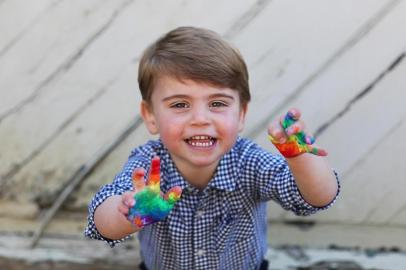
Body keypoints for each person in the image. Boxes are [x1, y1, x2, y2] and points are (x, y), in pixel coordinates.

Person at [85, 26, 339, 270]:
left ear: (241, 114)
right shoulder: (148, 166)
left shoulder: (250, 162)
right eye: (180, 105)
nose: (200, 119)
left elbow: (316, 199)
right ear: (150, 115)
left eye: (217, 103)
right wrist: (129, 215)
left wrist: (301, 159)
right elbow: (101, 220)